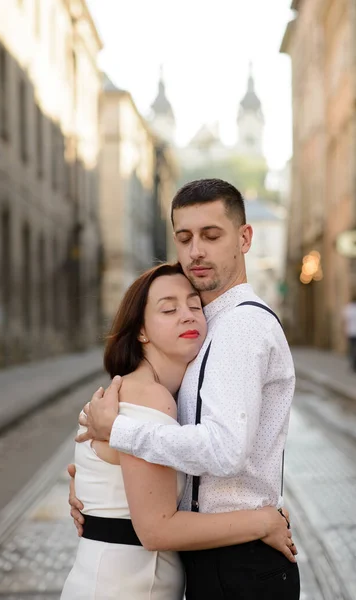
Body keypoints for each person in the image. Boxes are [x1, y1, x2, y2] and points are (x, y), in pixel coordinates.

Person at [70, 178, 300, 599]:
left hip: (240, 559)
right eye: (184, 237)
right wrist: (95, 480)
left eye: (211, 236)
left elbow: (225, 449)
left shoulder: (241, 326)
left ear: (244, 238)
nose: (196, 250)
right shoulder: (206, 330)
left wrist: (118, 433)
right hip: (205, 554)